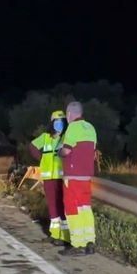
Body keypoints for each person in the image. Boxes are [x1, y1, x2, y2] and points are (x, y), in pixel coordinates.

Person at [58, 101, 97, 256]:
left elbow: (66, 151)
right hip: (86, 176)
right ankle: (89, 241)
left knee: (72, 209)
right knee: (85, 208)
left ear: (69, 114)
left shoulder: (73, 127)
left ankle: (77, 244)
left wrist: (59, 152)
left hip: (73, 176)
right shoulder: (91, 128)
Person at [29, 110, 70, 246]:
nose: (59, 125)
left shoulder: (67, 137)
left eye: (62, 122)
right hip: (48, 178)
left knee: (62, 206)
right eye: (57, 122)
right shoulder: (46, 137)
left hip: (61, 177)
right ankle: (54, 234)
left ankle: (64, 237)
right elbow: (32, 146)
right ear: (52, 123)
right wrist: (41, 159)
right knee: (52, 206)